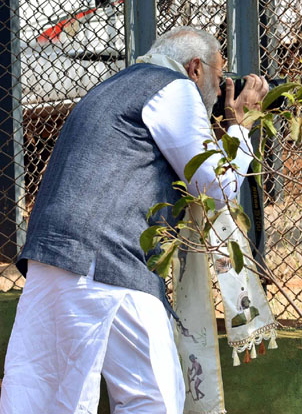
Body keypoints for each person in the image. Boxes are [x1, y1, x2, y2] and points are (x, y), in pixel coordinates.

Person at [0, 26, 268, 414]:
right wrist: (241, 126)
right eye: (218, 75)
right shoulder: (175, 87)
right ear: (195, 68)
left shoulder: (111, 86)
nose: (220, 88)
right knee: (154, 398)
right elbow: (215, 184)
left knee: (42, 397)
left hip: (53, 258)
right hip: (109, 263)